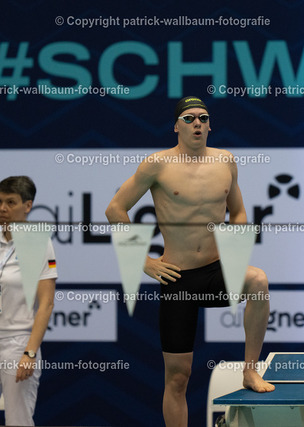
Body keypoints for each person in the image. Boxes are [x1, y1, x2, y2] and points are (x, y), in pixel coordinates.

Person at [106, 96, 274, 426]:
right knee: (178, 378)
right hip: (177, 278)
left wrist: (235, 247)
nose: (197, 123)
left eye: (203, 118)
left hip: (215, 271)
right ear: (176, 127)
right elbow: (115, 209)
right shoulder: (157, 164)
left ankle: (250, 371)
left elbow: (239, 211)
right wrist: (143, 261)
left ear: (210, 126)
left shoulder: (226, 161)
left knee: (258, 280)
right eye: (188, 118)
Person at [0, 176, 57, 427]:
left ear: (27, 206)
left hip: (18, 343)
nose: (2, 208)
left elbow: (47, 303)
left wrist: (30, 352)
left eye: (10, 202)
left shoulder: (40, 243)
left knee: (18, 420)